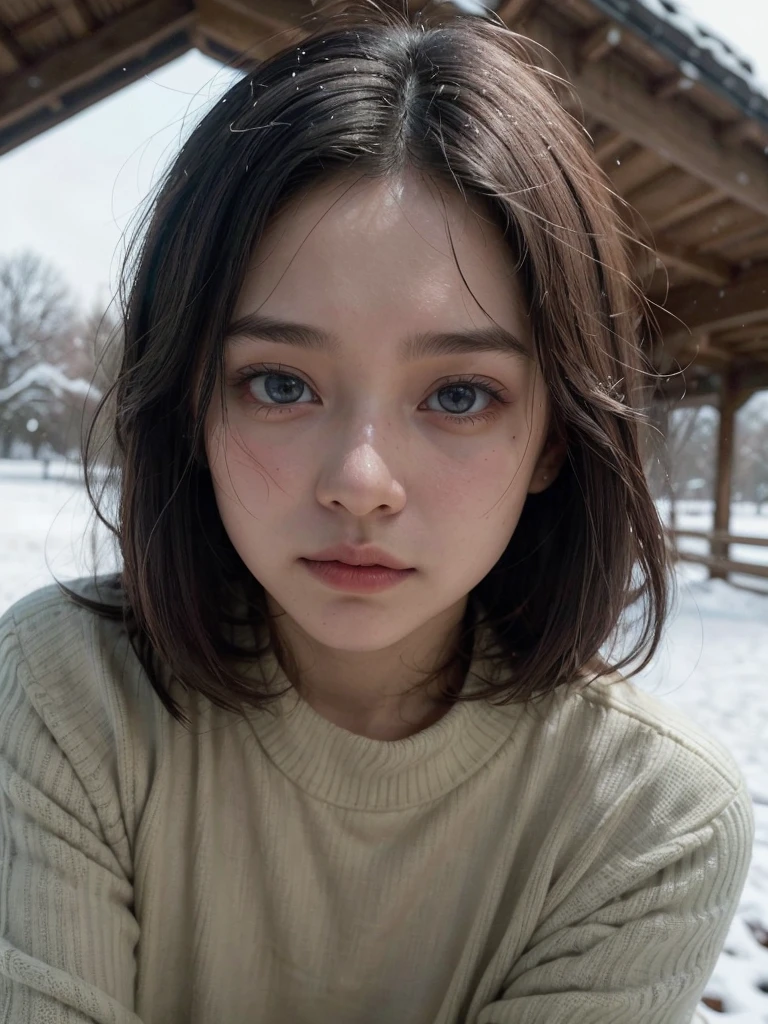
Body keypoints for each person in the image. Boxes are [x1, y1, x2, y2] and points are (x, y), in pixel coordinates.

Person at [0, 2, 754, 1022]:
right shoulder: (65, 693)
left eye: (457, 395)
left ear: (555, 438)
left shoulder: (654, 819)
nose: (361, 479)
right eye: (277, 382)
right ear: (189, 401)